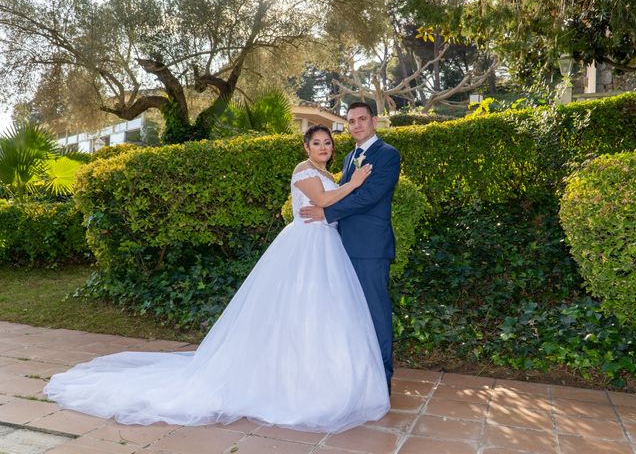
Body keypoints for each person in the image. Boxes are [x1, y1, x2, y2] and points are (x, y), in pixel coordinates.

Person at [43, 125, 390, 433]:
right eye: (317, 143)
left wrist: (346, 187)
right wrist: (356, 183)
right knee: (295, 312)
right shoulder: (304, 170)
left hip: (327, 247)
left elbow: (330, 203)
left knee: (322, 316)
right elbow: (324, 199)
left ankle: (324, 380)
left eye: (328, 142)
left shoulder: (327, 171)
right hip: (306, 247)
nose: (324, 147)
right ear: (306, 147)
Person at [300, 102, 401, 394]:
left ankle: (382, 379)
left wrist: (326, 214)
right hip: (342, 246)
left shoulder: (387, 155)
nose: (356, 124)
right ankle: (359, 375)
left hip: (370, 248)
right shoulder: (348, 159)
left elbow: (369, 196)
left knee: (375, 312)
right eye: (351, 120)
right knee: (351, 314)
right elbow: (339, 193)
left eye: (362, 119)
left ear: (374, 121)